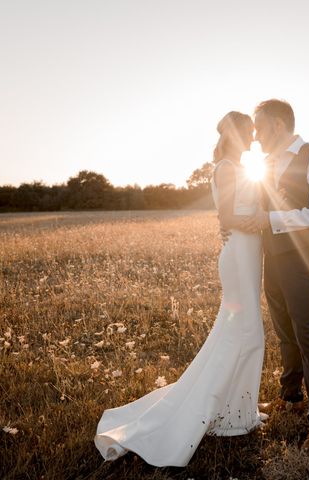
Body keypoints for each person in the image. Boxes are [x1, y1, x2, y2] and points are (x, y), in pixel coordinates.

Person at [94, 111, 266, 467]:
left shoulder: (232, 165)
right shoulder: (228, 168)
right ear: (235, 134)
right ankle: (228, 414)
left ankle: (236, 409)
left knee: (241, 331)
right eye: (249, 132)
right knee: (247, 332)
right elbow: (228, 217)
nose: (254, 138)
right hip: (240, 252)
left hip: (247, 252)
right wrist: (266, 222)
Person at [248, 99, 309, 456]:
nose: (255, 136)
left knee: (306, 333)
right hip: (273, 256)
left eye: (259, 128)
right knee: (284, 330)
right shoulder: (265, 164)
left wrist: (272, 220)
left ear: (280, 125)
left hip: (300, 258)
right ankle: (291, 396)